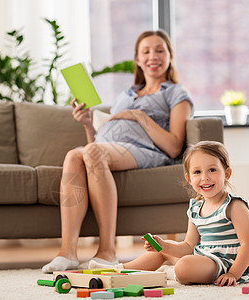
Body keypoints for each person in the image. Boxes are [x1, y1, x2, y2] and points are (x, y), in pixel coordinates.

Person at [41, 30, 194, 273]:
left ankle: (108, 251)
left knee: (92, 153)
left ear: (169, 57)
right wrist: (87, 124)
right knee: (74, 155)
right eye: (146, 51)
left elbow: (175, 145)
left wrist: (139, 116)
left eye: (159, 50)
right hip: (105, 148)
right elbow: (96, 143)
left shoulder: (176, 93)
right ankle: (68, 252)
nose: (152, 56)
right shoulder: (127, 94)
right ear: (137, 59)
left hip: (146, 150)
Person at [89, 141, 249, 286]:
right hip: (203, 258)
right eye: (197, 172)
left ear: (227, 174)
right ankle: (119, 270)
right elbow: (188, 246)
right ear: (189, 178)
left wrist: (233, 274)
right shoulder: (195, 208)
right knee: (162, 250)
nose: (205, 178)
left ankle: (173, 272)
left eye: (212, 170)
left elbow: (248, 245)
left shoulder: (234, 206)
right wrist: (163, 246)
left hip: (227, 263)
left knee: (184, 266)